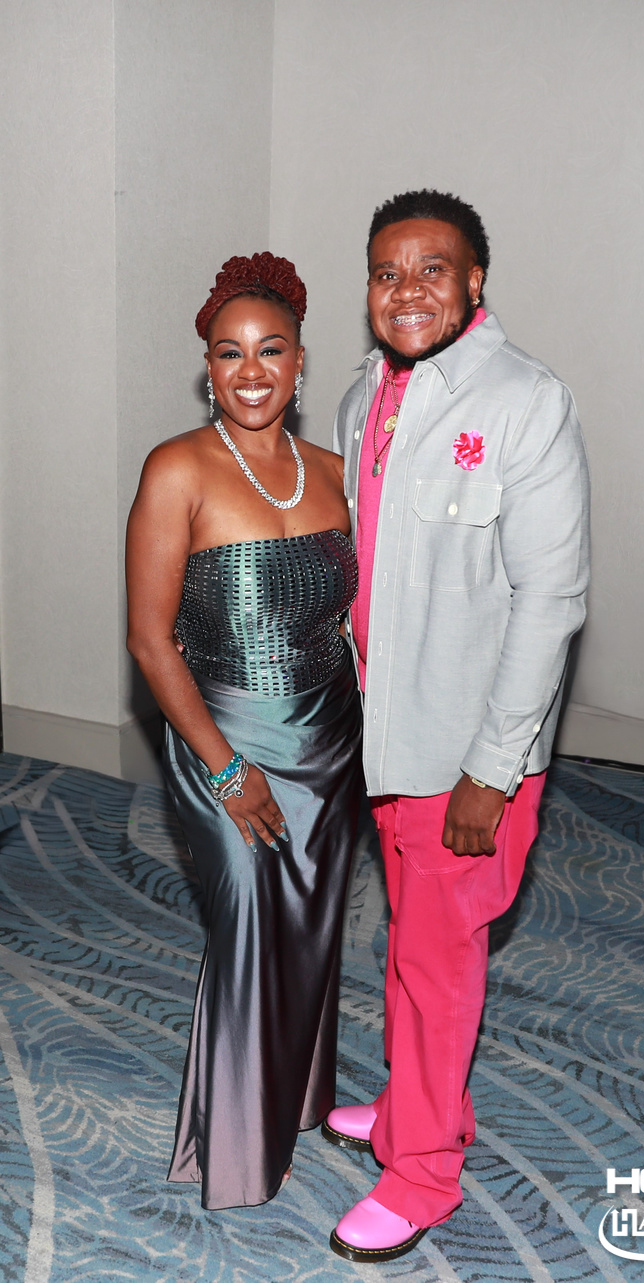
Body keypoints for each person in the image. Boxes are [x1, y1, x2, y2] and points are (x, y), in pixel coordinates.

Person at [324, 191, 590, 1262]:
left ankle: (423, 1172)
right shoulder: (359, 399)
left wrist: (494, 766)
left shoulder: (526, 401)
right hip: (387, 741)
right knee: (410, 949)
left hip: (466, 757)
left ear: (475, 281)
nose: (408, 291)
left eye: (433, 269)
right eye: (388, 272)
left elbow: (552, 599)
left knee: (438, 968)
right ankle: (409, 1112)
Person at [125, 253, 362, 1210]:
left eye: (271, 351)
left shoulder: (340, 474)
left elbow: (353, 618)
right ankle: (230, 1151)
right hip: (224, 736)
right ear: (208, 368)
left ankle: (300, 1094)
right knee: (251, 926)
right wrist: (227, 772)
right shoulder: (177, 468)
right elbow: (149, 640)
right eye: (230, 354)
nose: (251, 371)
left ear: (302, 363)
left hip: (330, 737)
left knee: (311, 926)